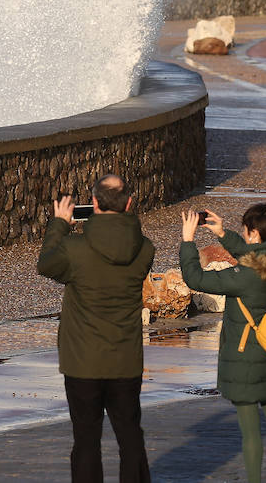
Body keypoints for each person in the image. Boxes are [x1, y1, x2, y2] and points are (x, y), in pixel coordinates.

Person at [38, 173, 156, 483]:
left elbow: (46, 264)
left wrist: (60, 224)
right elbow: (127, 240)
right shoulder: (144, 249)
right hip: (125, 359)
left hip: (83, 360)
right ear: (129, 202)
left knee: (87, 440)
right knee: (130, 436)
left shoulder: (74, 249)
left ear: (93, 203)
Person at [180, 204, 266, 483]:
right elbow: (255, 256)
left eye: (244, 231)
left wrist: (188, 241)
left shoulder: (247, 276)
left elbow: (195, 278)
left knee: (251, 433)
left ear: (254, 234)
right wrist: (223, 234)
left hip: (246, 358)